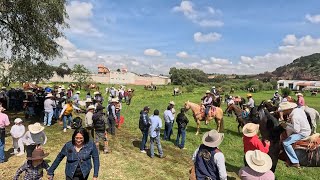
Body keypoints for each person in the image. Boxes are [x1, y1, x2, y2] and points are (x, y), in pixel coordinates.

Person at [280, 102, 311, 168]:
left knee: (286, 143)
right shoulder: (299, 110)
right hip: (306, 128)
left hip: (303, 133)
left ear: (288, 109)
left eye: (284, 110)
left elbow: (297, 130)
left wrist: (286, 126)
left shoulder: (295, 117)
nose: (283, 111)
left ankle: (295, 162)